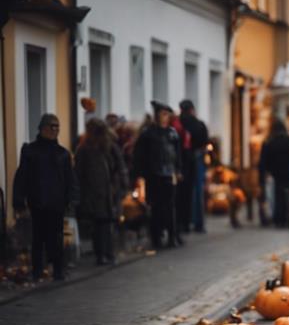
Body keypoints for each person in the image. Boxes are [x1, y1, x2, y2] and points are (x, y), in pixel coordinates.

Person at [12, 114, 78, 281]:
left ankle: (58, 270)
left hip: (56, 203)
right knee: (38, 238)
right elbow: (22, 176)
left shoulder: (62, 154)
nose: (55, 130)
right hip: (37, 201)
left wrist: (72, 199)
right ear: (42, 128)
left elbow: (70, 179)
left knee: (56, 237)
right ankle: (37, 271)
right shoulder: (30, 151)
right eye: (51, 126)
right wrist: (19, 200)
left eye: (57, 127)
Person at [75, 118, 128, 265]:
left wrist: (120, 185)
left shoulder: (109, 147)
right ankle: (102, 254)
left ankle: (107, 253)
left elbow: (120, 166)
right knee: (99, 224)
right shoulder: (84, 149)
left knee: (106, 223)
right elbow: (79, 173)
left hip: (109, 192)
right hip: (94, 193)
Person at [133, 101, 183, 249]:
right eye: (163, 114)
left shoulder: (172, 133)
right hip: (153, 175)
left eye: (167, 114)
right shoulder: (148, 134)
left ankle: (172, 235)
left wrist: (178, 170)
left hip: (169, 174)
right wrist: (139, 174)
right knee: (155, 207)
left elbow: (177, 154)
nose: (165, 117)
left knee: (171, 207)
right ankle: (156, 237)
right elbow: (139, 155)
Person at [178, 100, 210, 233]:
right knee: (197, 191)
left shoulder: (178, 124)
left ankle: (184, 222)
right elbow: (205, 142)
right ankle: (198, 223)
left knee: (183, 191)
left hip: (182, 159)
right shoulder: (199, 124)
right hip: (196, 158)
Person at [258, 119, 289, 227]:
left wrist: (262, 176)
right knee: (287, 195)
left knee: (276, 196)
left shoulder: (269, 142)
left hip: (275, 173)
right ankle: (285, 217)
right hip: (288, 172)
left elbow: (264, 161)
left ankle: (278, 218)